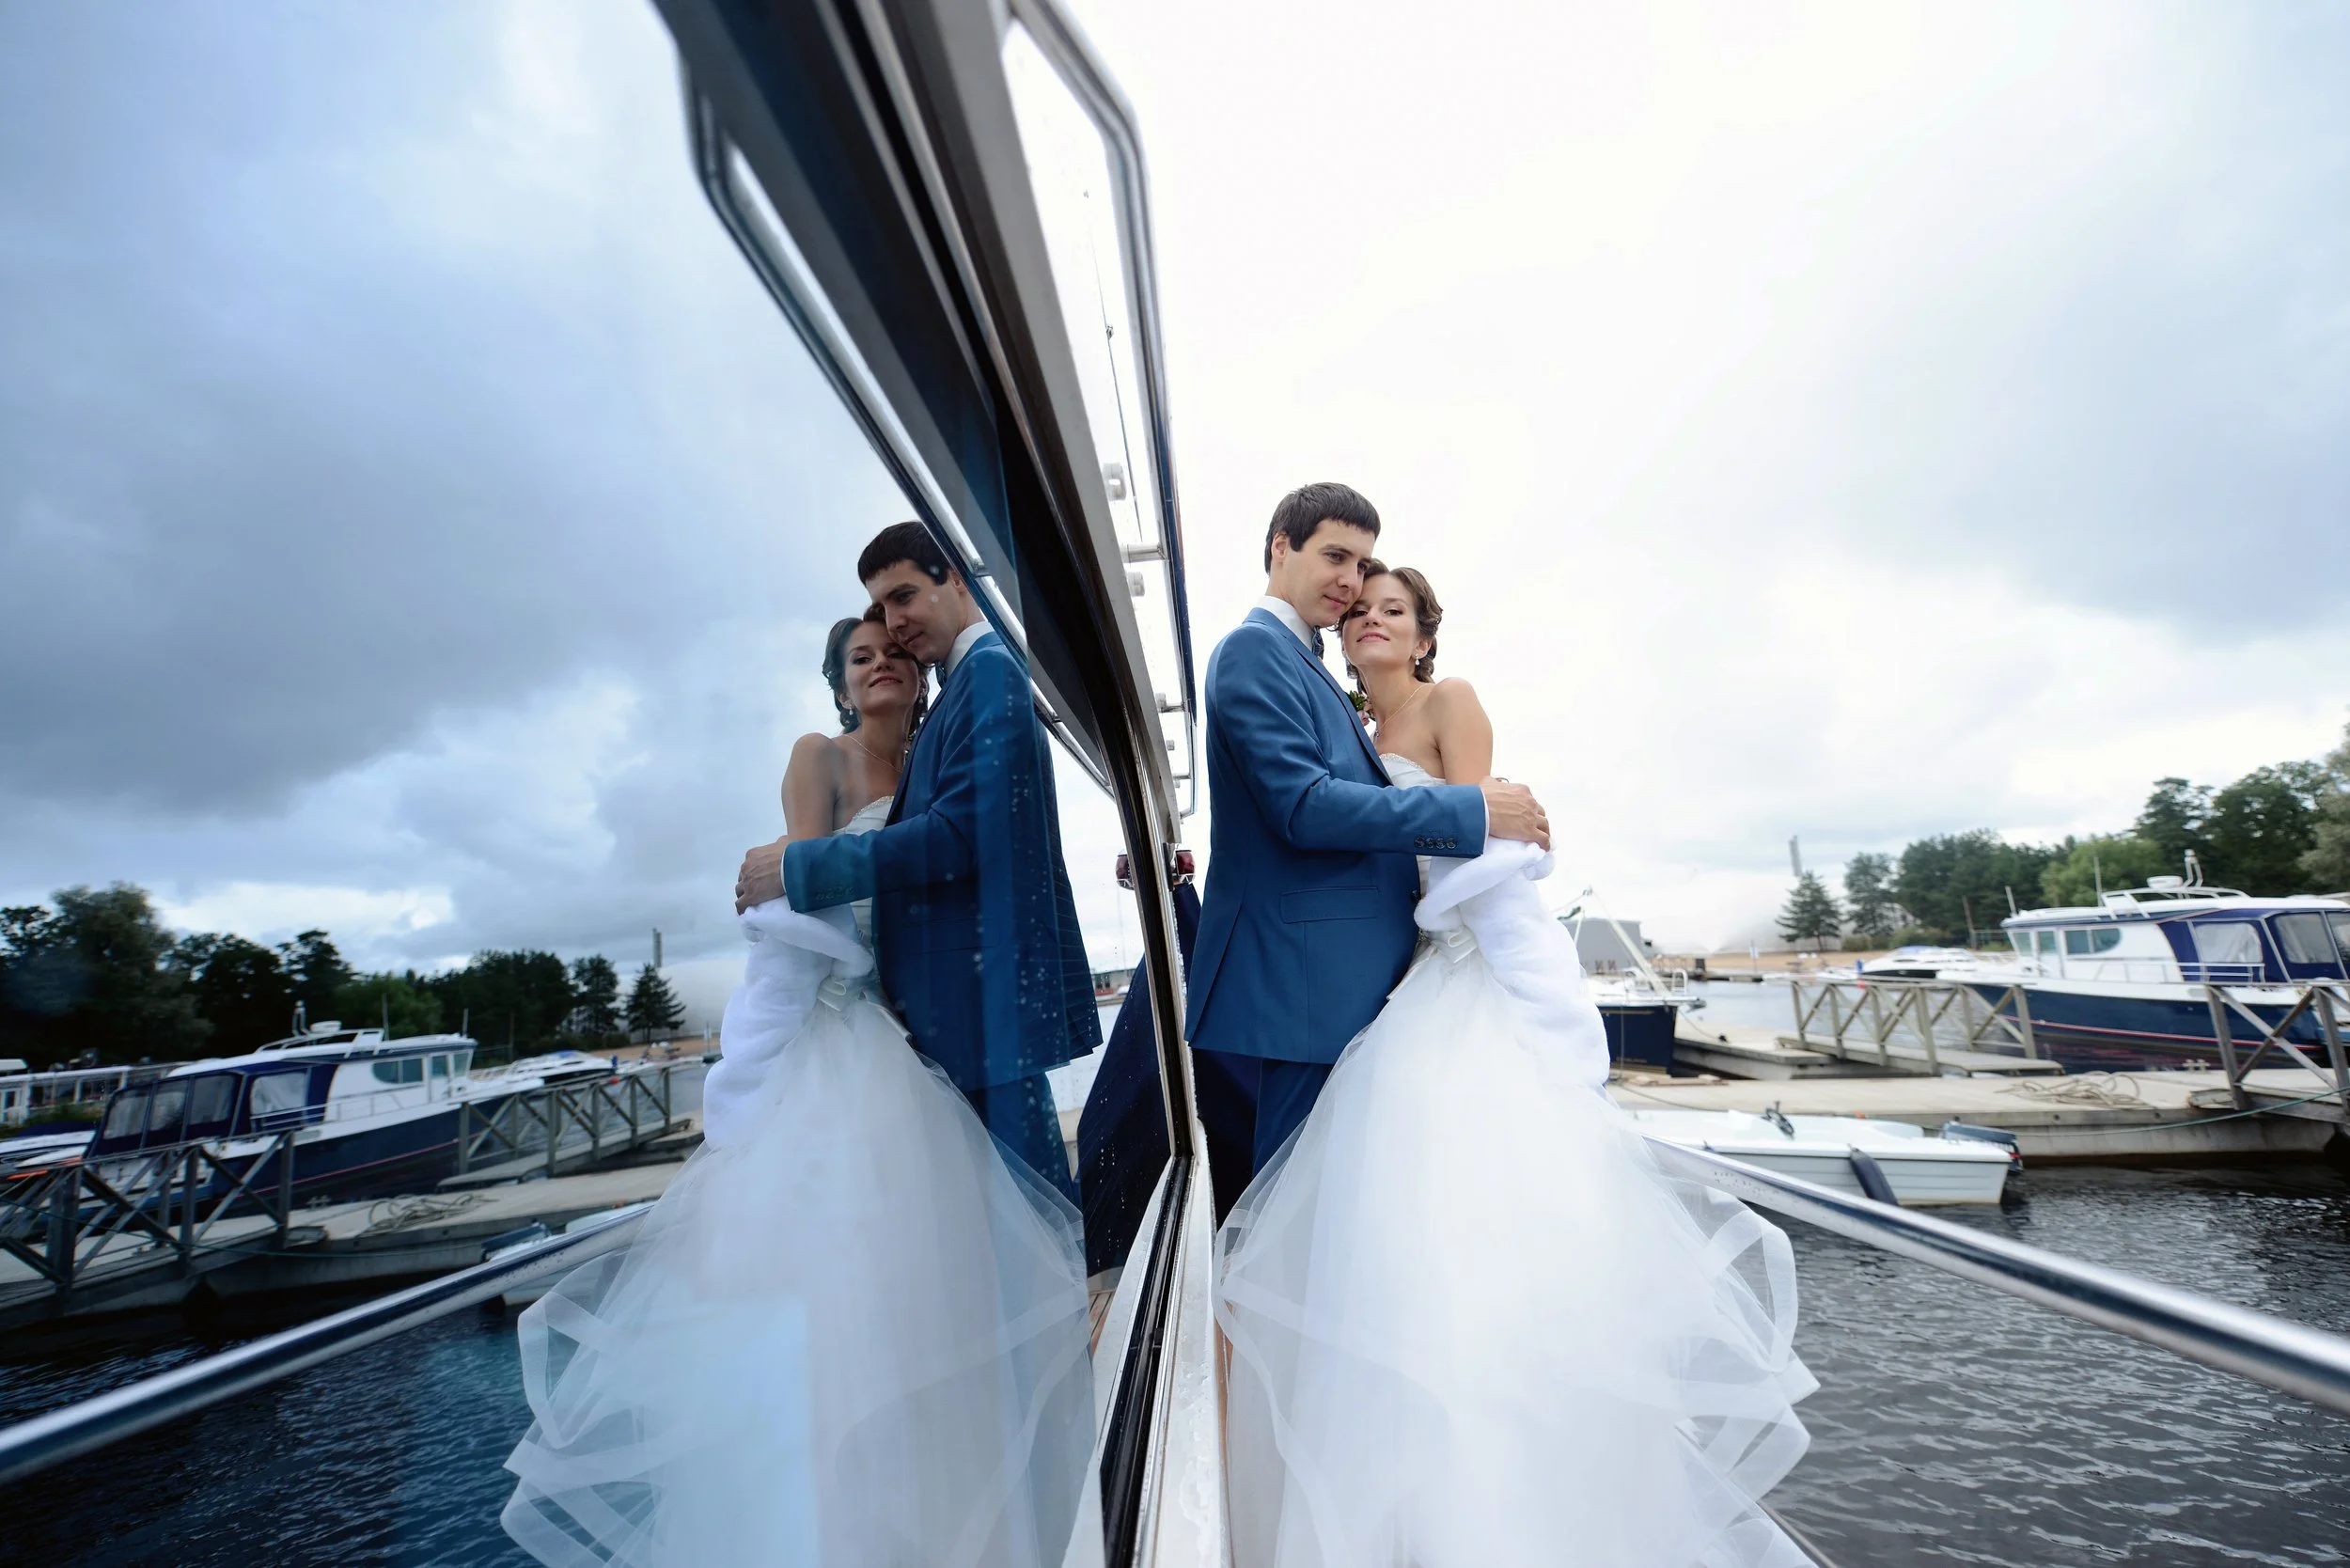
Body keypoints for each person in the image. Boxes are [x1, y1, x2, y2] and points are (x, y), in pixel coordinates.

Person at [1217, 564, 1816, 1568]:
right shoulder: (1354, 741)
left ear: (1423, 636)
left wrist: (1553, 1024)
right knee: (1400, 1256)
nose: (1371, 619)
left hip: (1473, 985)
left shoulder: (1453, 702)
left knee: (1482, 1243)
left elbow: (1493, 859)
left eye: (1393, 611)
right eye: (1360, 608)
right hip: (1408, 994)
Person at [503, 609, 1093, 1568]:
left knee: (929, 1294)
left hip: (904, 1046)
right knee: (840, 1304)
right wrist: (742, 1091)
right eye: (858, 659)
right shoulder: (817, 756)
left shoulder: (930, 771)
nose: (878, 668)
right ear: (838, 682)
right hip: (831, 1045)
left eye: (892, 654)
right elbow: (788, 905)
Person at [1184, 482, 1551, 1216]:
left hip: (1349, 981)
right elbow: (1303, 808)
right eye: (1335, 557)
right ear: (1279, 547)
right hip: (1308, 984)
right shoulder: (1255, 653)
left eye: (1362, 564)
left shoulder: (1307, 664)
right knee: (1294, 1213)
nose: (1351, 582)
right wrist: (1473, 807)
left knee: (1331, 1212)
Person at [736, 522, 1100, 1200]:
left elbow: (959, 836)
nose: (897, 625)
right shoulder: (957, 693)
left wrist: (796, 869)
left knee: (1033, 1219)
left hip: (983, 1008)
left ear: (956, 579)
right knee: (998, 1218)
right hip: (951, 1011)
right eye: (883, 606)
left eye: (905, 597)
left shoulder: (988, 674)